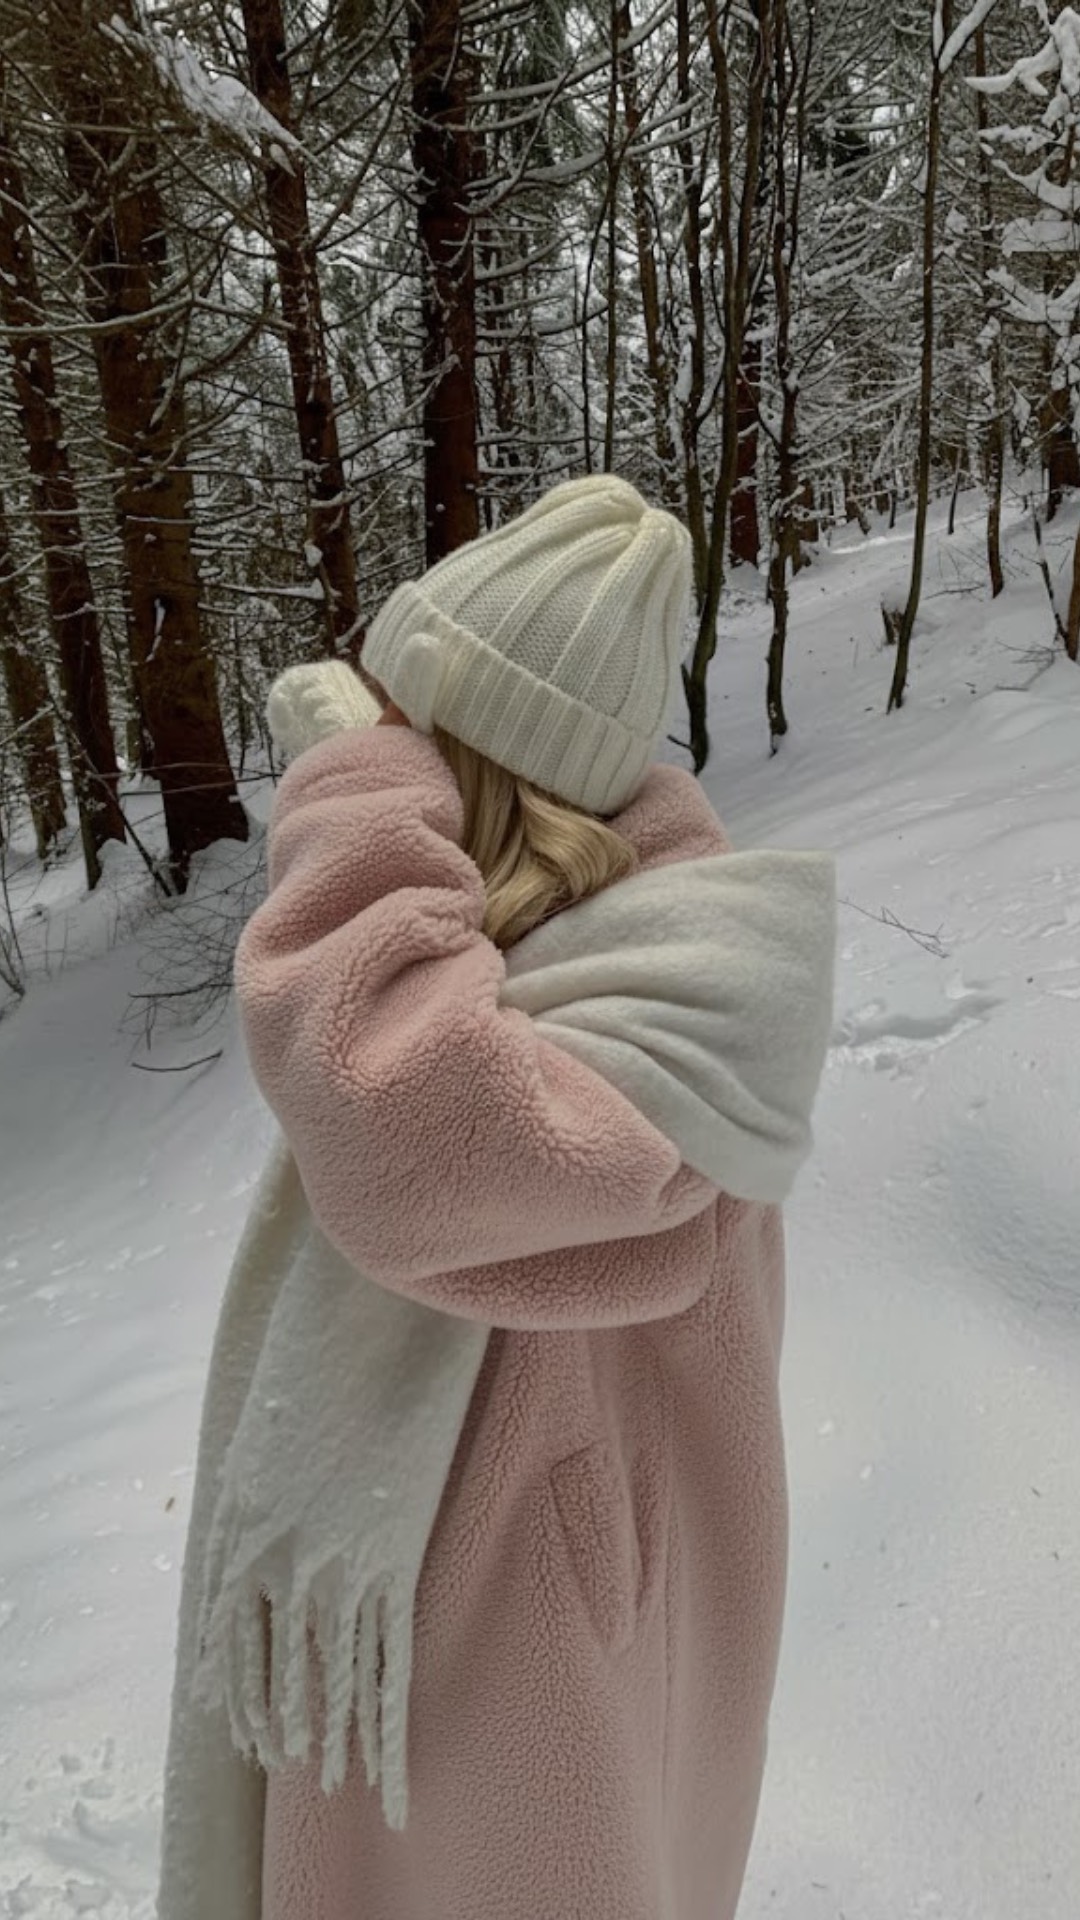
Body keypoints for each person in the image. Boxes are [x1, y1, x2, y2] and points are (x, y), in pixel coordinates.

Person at [156, 473, 836, 1920]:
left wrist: (355, 801)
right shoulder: (541, 972)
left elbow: (389, 1116)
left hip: (528, 1676)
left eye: (415, 729)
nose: (378, 740)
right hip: (474, 1653)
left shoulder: (666, 1018)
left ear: (469, 767)